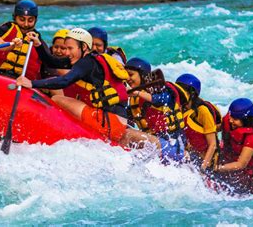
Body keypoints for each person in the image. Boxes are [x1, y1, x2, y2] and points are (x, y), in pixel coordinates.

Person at [16, 28, 158, 148]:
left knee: (57, 99)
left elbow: (65, 80)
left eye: (70, 49)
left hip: (111, 123)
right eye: (66, 48)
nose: (66, 53)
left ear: (83, 47)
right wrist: (38, 44)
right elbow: (51, 61)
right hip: (113, 121)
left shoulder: (88, 63)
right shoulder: (84, 60)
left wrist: (32, 84)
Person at [125, 58, 188, 162]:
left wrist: (136, 92)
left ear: (143, 75)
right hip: (157, 145)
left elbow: (160, 100)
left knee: (129, 134)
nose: (128, 79)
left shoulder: (163, 90)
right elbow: (126, 119)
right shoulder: (135, 100)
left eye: (131, 75)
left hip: (174, 146)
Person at [212, 98, 253, 195]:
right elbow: (216, 128)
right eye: (230, 116)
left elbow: (241, 164)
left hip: (247, 170)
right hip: (230, 157)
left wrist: (216, 168)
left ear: (246, 120)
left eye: (234, 119)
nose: (230, 120)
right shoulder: (231, 119)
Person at [0, 0, 46, 80]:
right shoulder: (1, 31)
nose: (26, 24)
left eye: (30, 20)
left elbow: (48, 69)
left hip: (18, 82)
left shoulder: (39, 43)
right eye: (22, 19)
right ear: (15, 18)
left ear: (35, 20)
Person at [175, 74, 221, 171]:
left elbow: (212, 144)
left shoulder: (203, 111)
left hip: (205, 162)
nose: (178, 95)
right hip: (191, 156)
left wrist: (202, 169)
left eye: (181, 92)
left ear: (191, 94)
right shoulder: (180, 108)